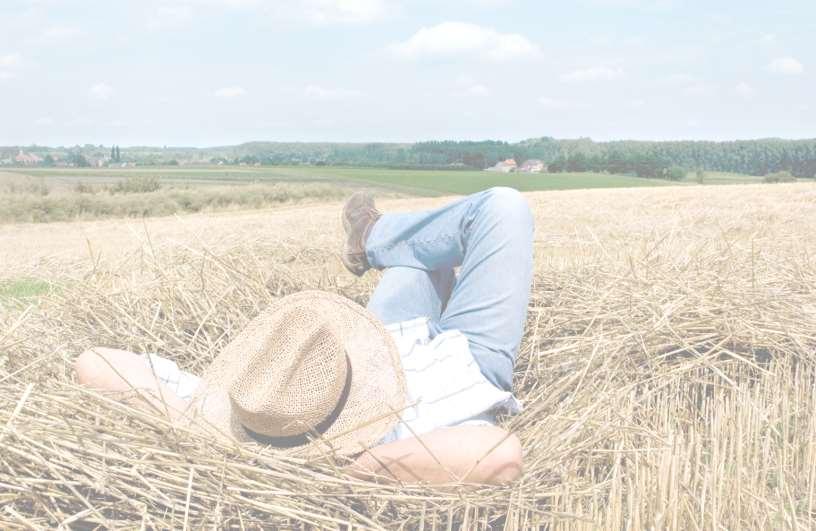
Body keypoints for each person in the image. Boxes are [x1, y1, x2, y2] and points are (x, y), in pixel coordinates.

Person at [74, 187, 534, 485]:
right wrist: (331, 470)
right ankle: (372, 235)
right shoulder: (405, 443)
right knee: (500, 208)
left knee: (421, 256)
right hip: (467, 362)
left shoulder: (250, 411)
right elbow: (501, 457)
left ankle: (374, 238)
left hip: (381, 342)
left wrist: (216, 443)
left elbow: (94, 362)